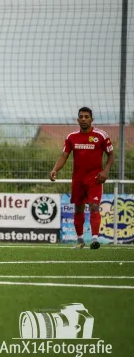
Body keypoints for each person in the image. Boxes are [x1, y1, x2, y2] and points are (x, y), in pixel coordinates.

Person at [49, 107, 114, 250]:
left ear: (92, 119)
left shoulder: (101, 135)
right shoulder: (71, 137)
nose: (83, 119)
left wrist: (106, 171)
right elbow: (64, 156)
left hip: (95, 179)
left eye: (86, 117)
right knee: (78, 209)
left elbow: (111, 155)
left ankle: (95, 239)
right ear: (78, 119)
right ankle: (80, 240)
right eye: (81, 117)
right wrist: (55, 169)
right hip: (78, 180)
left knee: (94, 206)